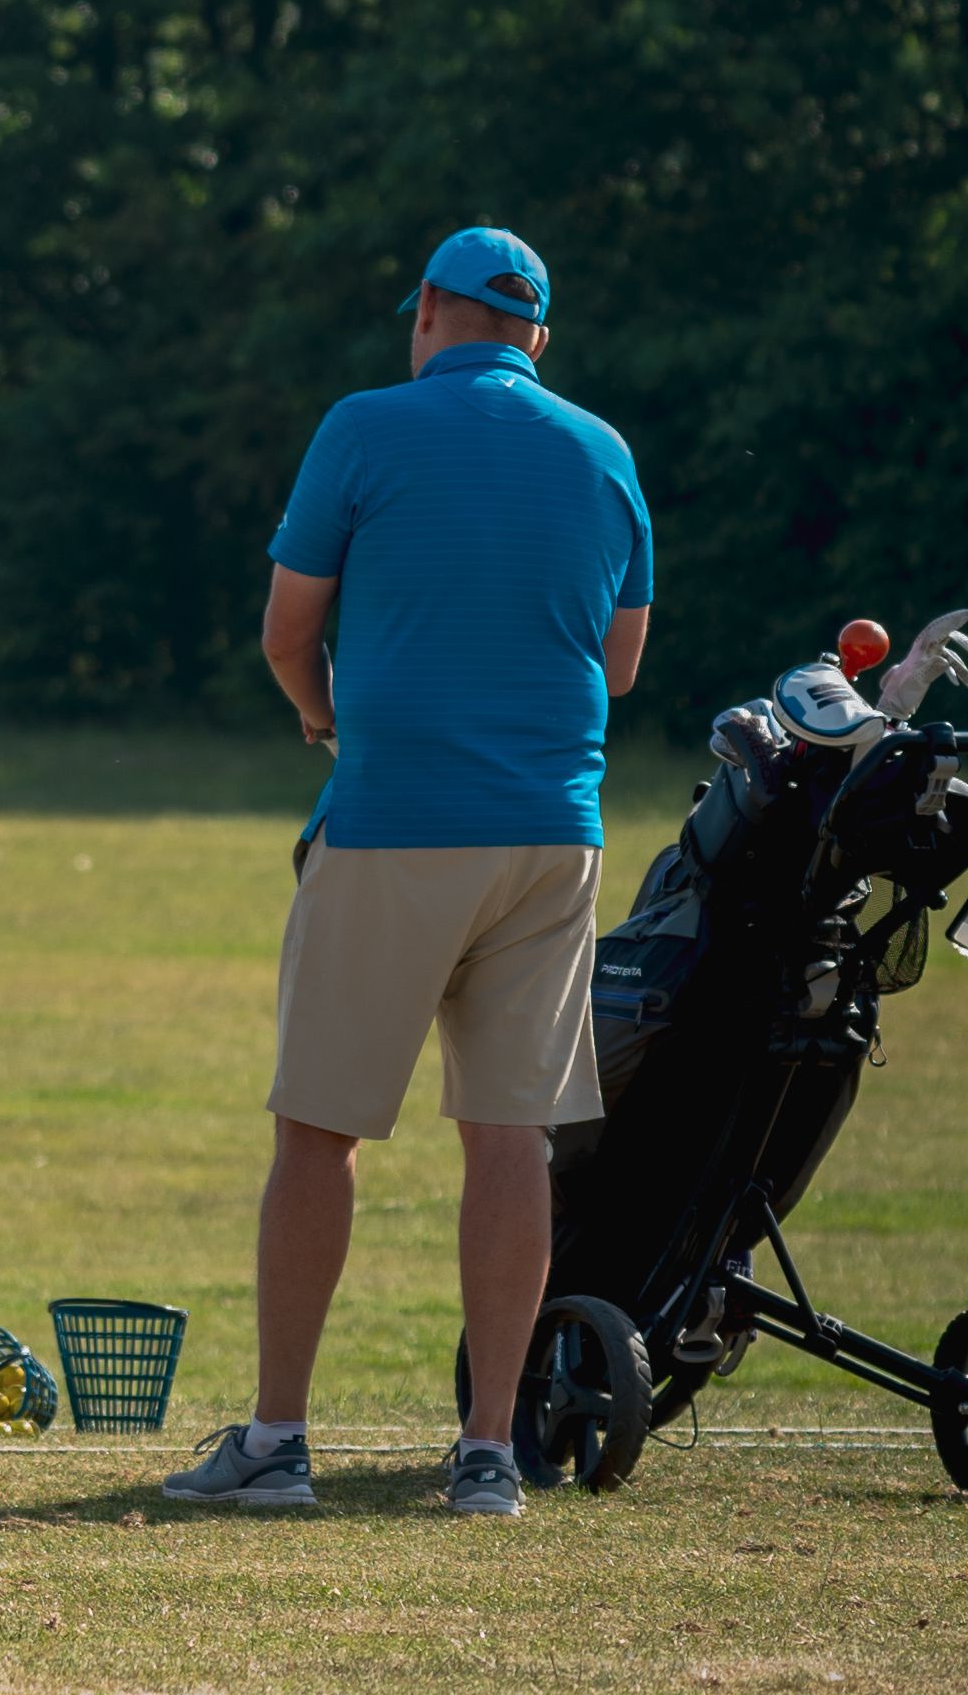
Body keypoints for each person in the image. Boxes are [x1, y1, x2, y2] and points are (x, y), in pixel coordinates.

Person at [171, 228, 649, 1522]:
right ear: (536, 336)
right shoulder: (605, 453)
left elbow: (286, 629)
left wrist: (325, 716)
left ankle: (277, 1445)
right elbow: (617, 666)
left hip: (392, 823)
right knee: (511, 1140)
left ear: (433, 311)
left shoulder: (364, 428)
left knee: (318, 1132)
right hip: (557, 835)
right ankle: (489, 1456)